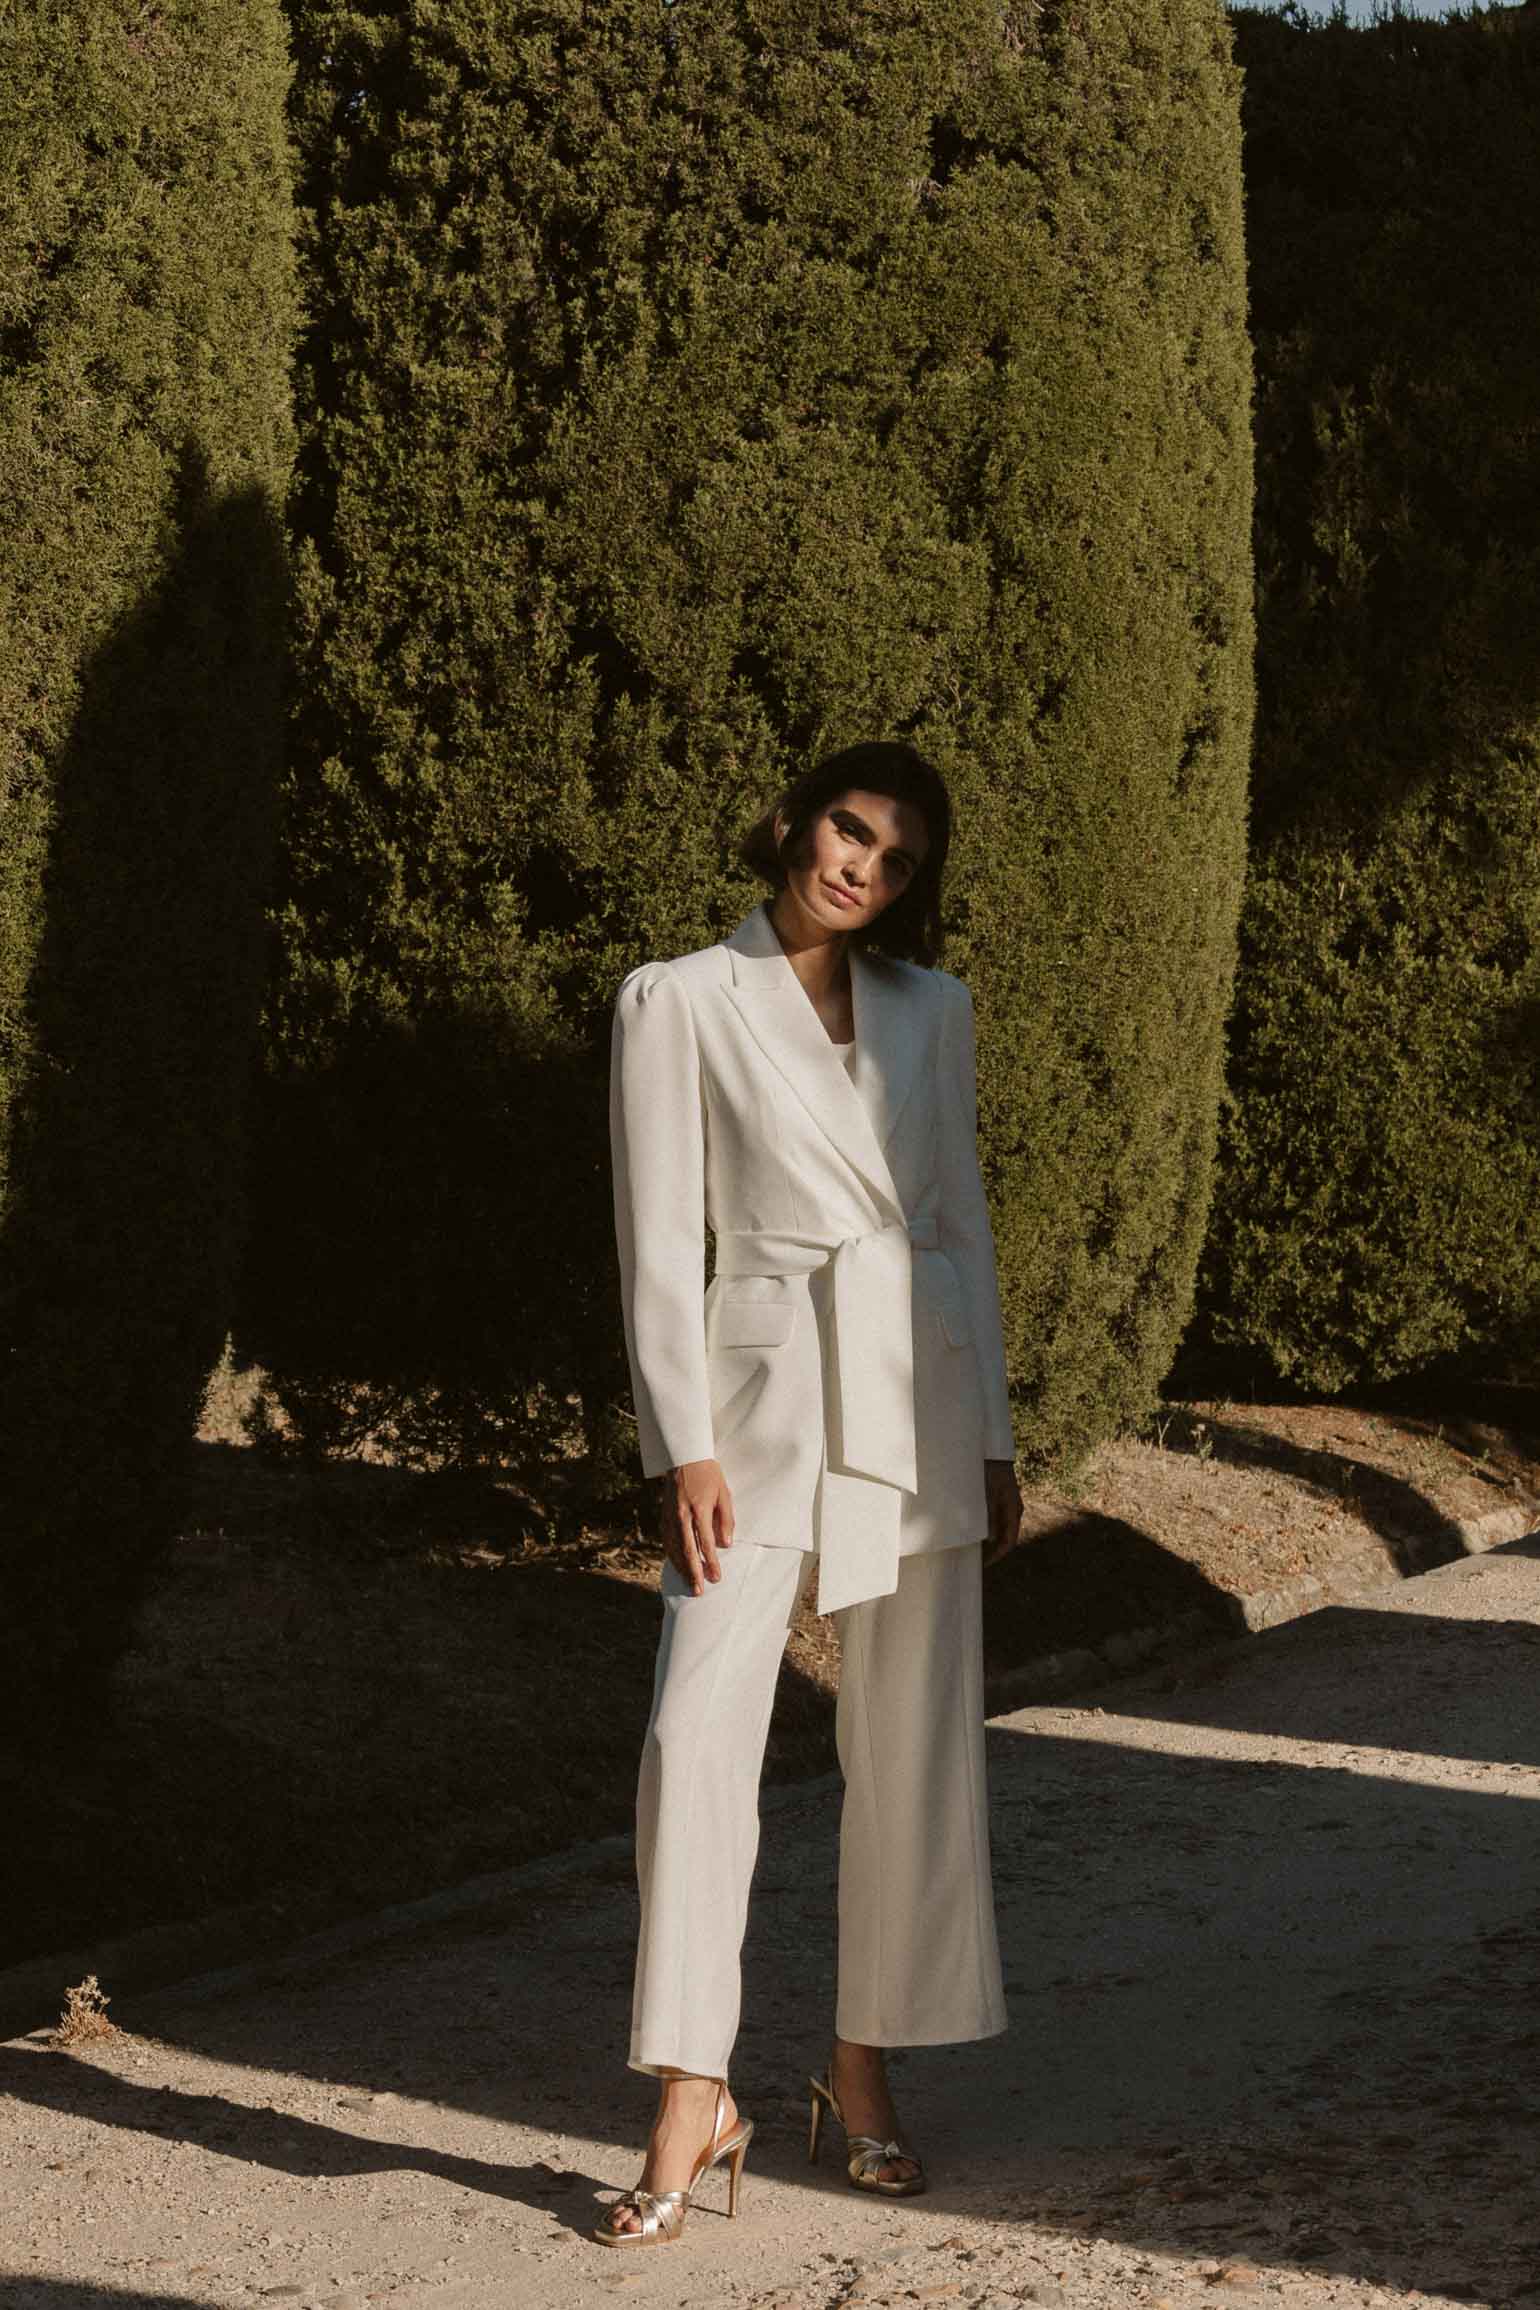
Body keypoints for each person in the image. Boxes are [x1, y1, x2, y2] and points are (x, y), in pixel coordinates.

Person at [596, 739, 1025, 2247]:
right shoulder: (678, 998)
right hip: (761, 1404)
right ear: (794, 817)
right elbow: (661, 1240)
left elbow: (958, 1217)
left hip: (923, 1393)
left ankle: (861, 2066)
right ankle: (690, 2093)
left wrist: (996, 1434)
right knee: (690, 1736)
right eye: (851, 831)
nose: (863, 868)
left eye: (896, 859)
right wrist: (682, 1444)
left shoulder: (932, 1009)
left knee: (908, 1744)